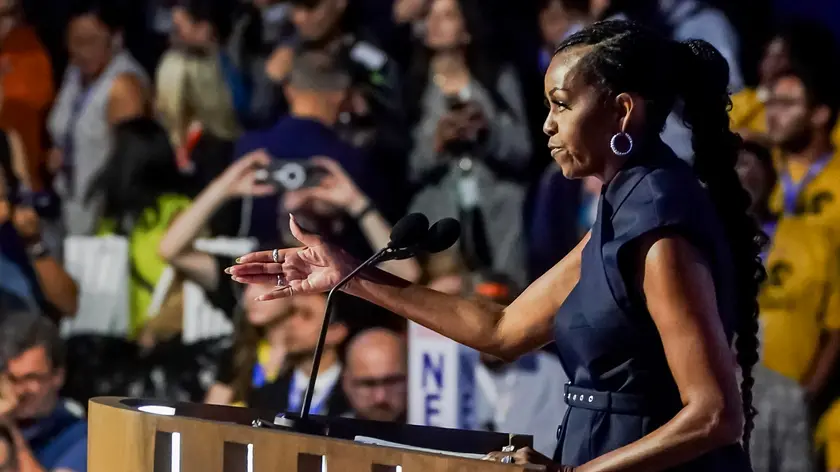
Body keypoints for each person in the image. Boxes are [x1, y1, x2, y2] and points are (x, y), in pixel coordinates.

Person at [229, 20, 762, 470]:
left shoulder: (659, 224)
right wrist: (351, 275)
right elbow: (501, 330)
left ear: (622, 111)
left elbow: (714, 415)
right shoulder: (624, 208)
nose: (548, 127)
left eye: (562, 105)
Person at [84, 117, 192, 342]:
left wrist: (156, 329)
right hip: (108, 339)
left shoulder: (179, 213)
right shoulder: (112, 217)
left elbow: (190, 287)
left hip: (158, 342)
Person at [47, 0, 149, 237]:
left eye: (89, 42)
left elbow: (129, 165)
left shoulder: (124, 85)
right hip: (68, 204)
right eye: (72, 44)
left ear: (115, 38)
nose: (79, 52)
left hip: (102, 214)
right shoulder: (75, 73)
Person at [0, 311, 87, 472]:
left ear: (58, 376)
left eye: (31, 378)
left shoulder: (81, 438)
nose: (20, 390)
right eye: (12, 379)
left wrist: (10, 429)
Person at [247, 292, 351, 416]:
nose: (291, 323)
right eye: (290, 313)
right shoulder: (264, 395)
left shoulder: (359, 397)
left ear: (337, 332)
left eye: (306, 315)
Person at [341, 327, 407, 422]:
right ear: (346, 383)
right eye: (368, 384)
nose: (380, 397)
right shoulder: (325, 435)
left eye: (391, 382)